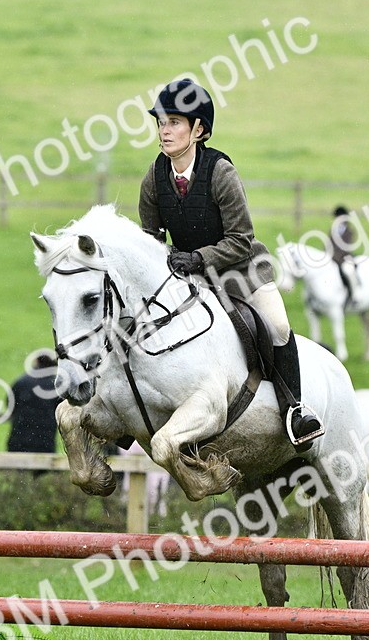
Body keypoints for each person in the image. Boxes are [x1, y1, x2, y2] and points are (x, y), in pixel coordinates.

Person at [138, 78, 323, 450]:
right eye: (161, 122)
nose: (164, 130)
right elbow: (150, 241)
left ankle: (295, 411)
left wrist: (197, 258)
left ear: (198, 129)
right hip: (190, 274)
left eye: (174, 122)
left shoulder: (220, 172)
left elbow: (240, 239)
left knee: (277, 324)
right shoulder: (155, 178)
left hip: (241, 269)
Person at [7, 353, 63, 454]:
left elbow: (10, 403)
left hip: (19, 437)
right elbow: (61, 410)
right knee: (44, 466)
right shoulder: (55, 385)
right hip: (45, 439)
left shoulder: (22, 381)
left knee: (18, 466)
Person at [328, 205, 358, 305]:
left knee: (348, 270)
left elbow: (346, 248)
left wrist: (335, 257)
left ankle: (354, 295)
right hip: (332, 258)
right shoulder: (333, 230)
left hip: (344, 258)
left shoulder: (349, 231)